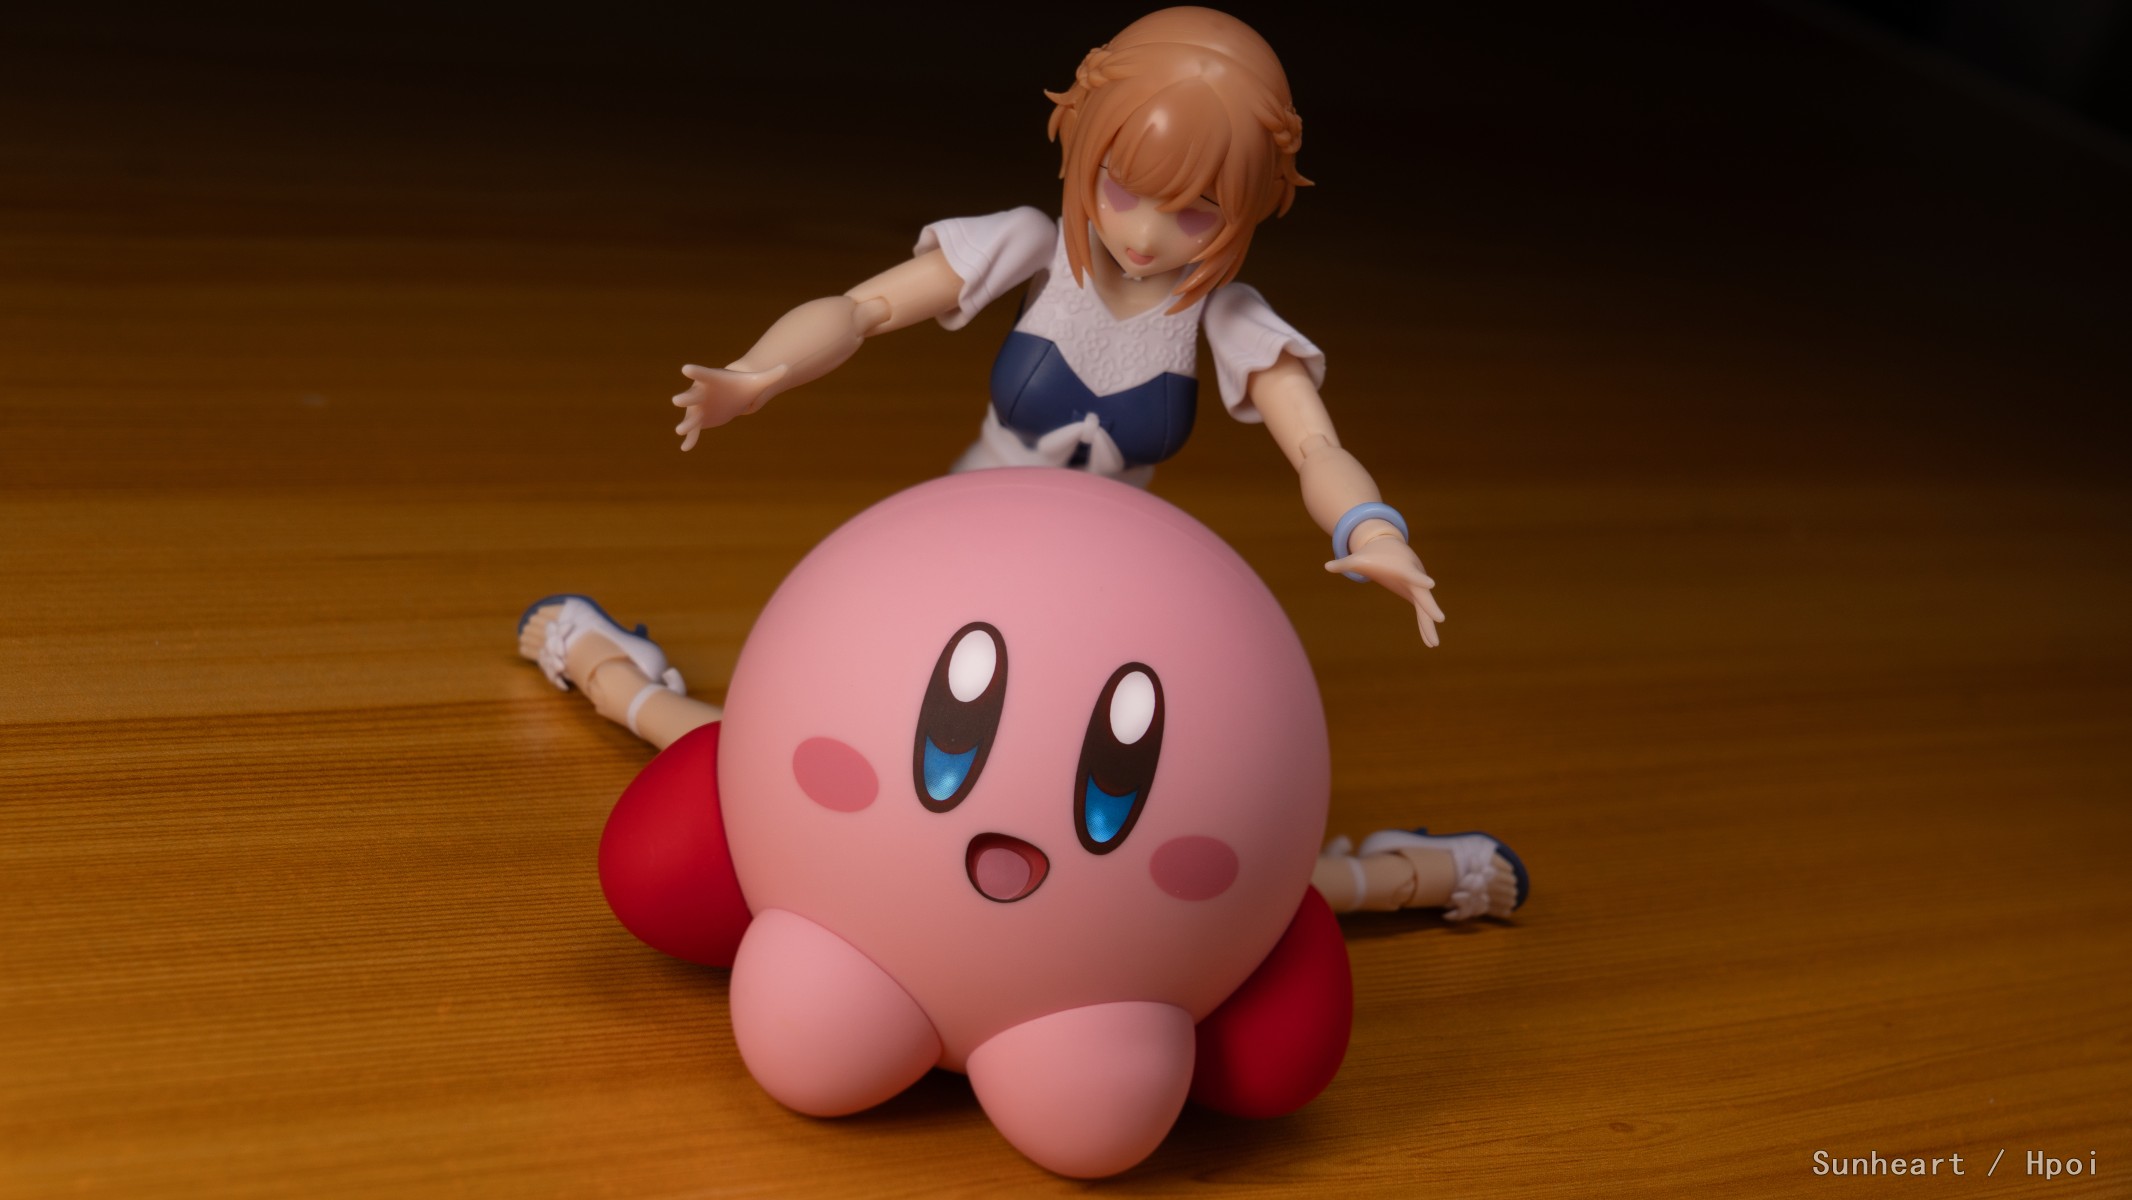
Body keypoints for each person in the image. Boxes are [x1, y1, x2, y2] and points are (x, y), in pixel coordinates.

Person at [523, 9, 1524, 920]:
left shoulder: (1224, 318)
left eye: (1193, 213)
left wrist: (1369, 528)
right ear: (1080, 145)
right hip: (959, 544)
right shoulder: (1031, 249)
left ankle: (1391, 874)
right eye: (1123, 188)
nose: (1143, 233)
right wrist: (757, 373)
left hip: (1104, 583)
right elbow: (865, 308)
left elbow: (1314, 443)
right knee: (834, 748)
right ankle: (627, 679)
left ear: (1251, 208)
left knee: (1090, 824)